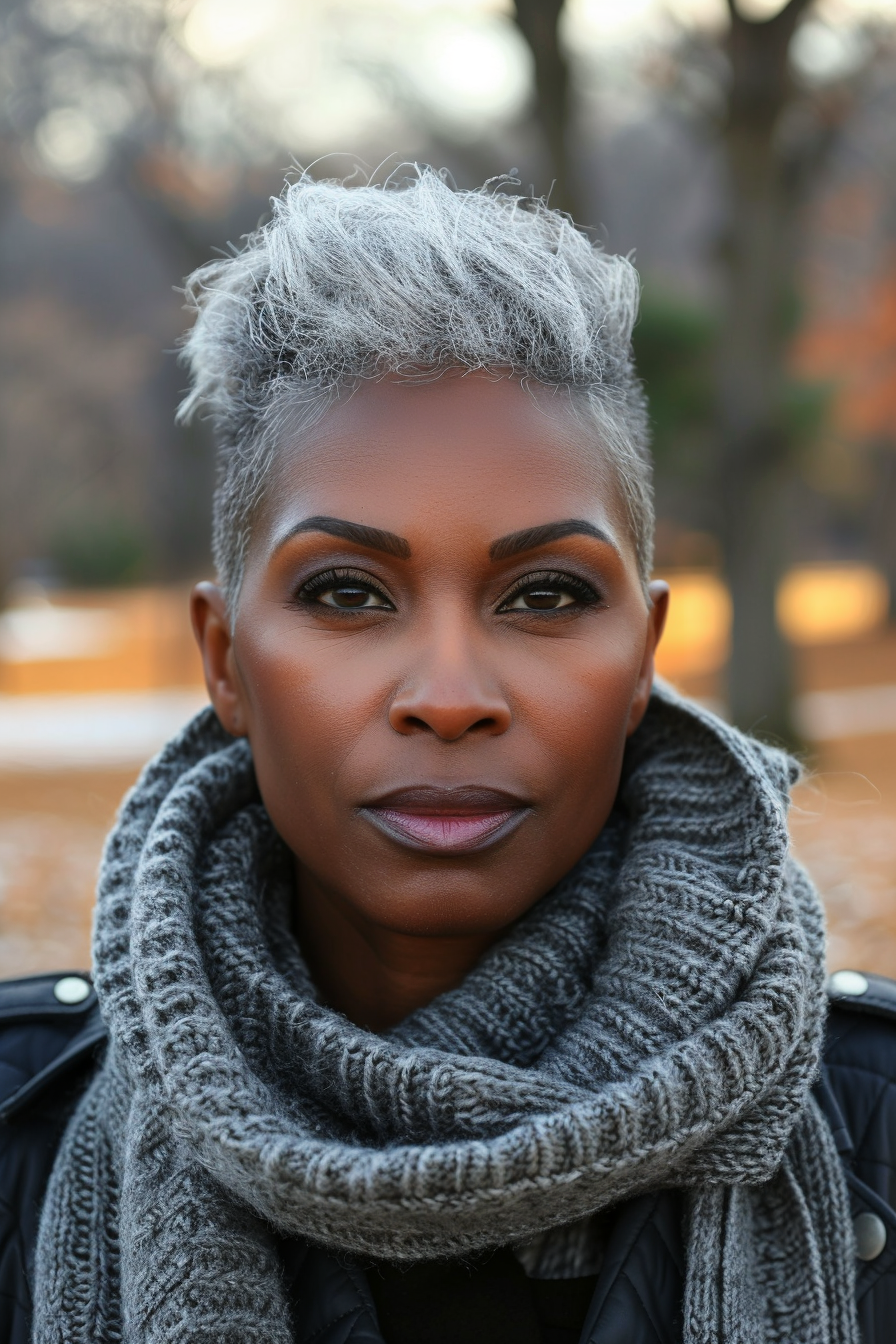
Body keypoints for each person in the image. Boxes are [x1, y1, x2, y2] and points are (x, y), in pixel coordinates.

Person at [1, 168, 894, 1344]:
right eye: (345, 591)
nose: (450, 697)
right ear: (225, 660)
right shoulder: (20, 1131)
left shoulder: (874, 1121)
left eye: (542, 594)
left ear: (642, 658)